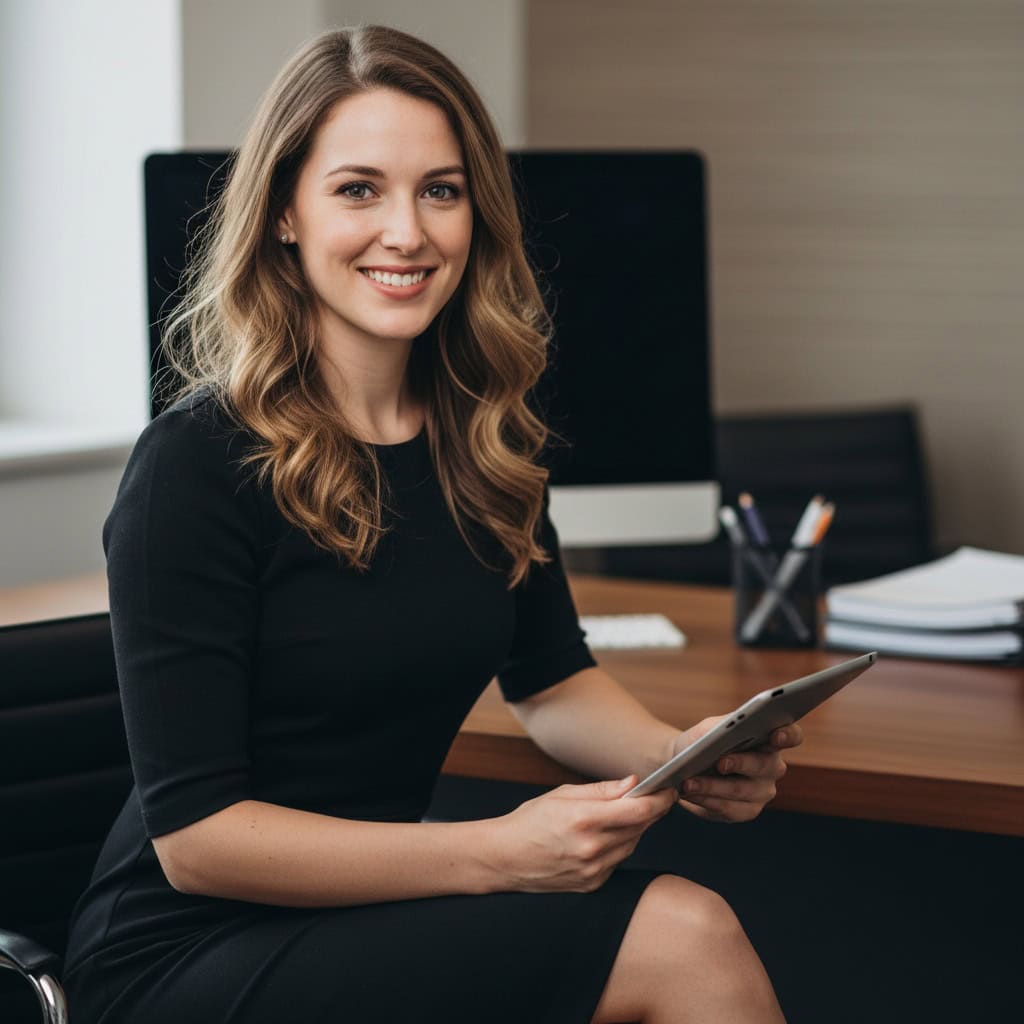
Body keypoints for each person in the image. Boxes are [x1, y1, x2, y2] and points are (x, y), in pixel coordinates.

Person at [63, 25, 800, 1023]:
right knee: (686, 938)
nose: (407, 232)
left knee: (687, 930)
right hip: (183, 953)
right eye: (358, 189)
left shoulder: (486, 438)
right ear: (284, 212)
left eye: (440, 190)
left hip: (369, 908)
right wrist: (497, 853)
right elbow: (197, 842)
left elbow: (552, 681)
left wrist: (684, 750)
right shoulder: (192, 465)